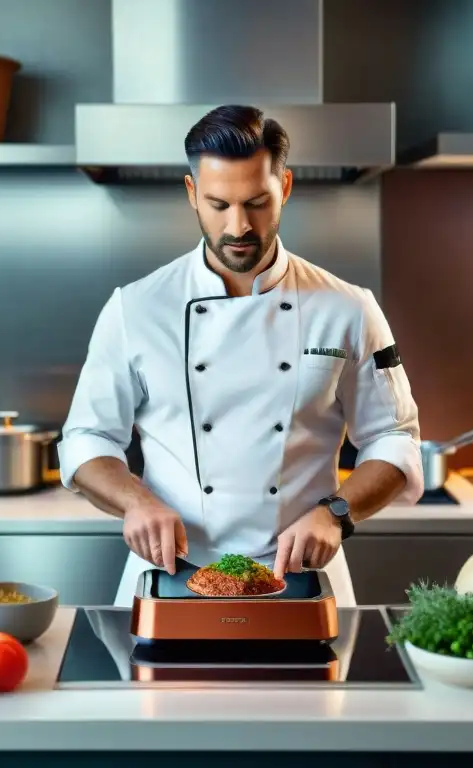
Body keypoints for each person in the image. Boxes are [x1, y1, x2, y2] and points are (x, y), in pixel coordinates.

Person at [57, 105, 423, 608]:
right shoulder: (136, 308)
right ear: (192, 195)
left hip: (302, 573)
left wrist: (336, 511)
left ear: (285, 188)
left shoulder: (349, 308)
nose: (238, 226)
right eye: (218, 204)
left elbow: (394, 439)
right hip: (169, 574)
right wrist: (135, 501)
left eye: (256, 203)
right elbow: (86, 438)